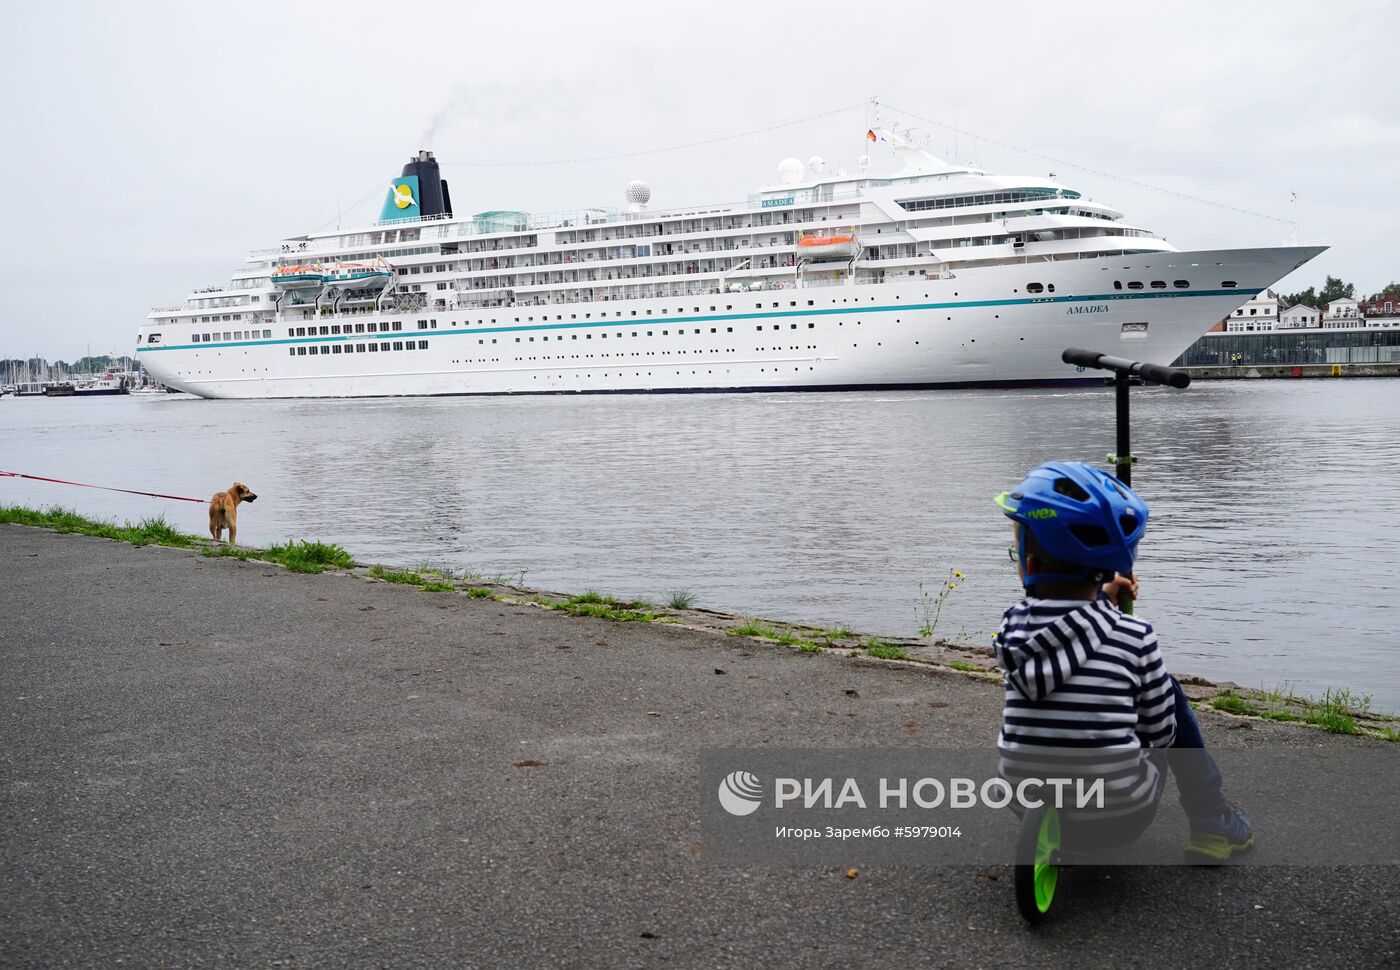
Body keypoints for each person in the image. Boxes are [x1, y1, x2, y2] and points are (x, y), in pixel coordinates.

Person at [992, 460, 1253, 862]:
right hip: (1118, 815)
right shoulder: (1135, 635)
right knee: (1169, 694)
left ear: (1028, 564)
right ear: (1109, 565)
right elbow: (1159, 732)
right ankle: (1210, 820)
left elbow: (1067, 625)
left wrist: (1100, 598)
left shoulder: (1012, 629)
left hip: (1022, 800)